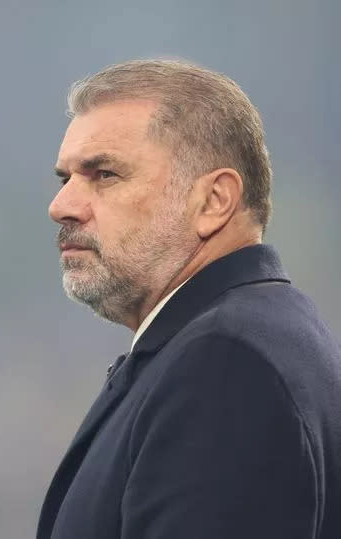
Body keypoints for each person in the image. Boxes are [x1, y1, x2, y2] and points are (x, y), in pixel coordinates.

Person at [38, 59, 341, 539]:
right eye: (65, 179)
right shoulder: (244, 339)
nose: (62, 206)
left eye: (105, 175)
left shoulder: (227, 365)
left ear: (215, 201)